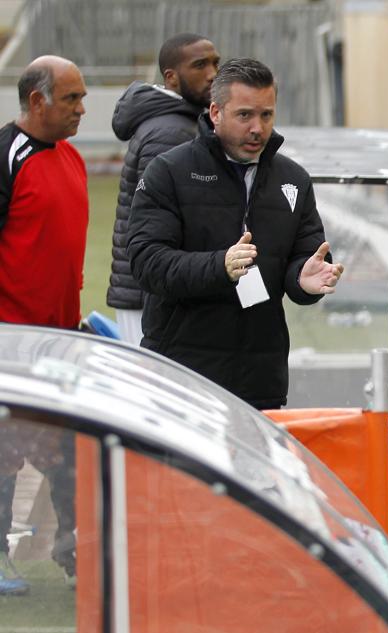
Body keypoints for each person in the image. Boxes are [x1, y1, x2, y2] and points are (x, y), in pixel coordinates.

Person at [128, 58, 344, 410]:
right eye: (245, 115)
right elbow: (147, 262)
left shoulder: (294, 180)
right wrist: (220, 267)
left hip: (261, 379)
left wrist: (303, 280)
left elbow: (303, 259)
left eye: (267, 115)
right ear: (215, 112)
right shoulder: (168, 172)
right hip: (182, 376)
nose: (258, 128)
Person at [0, 55, 90, 588]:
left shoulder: (72, 158)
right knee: (6, 452)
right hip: (12, 342)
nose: (82, 109)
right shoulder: (7, 157)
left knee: (67, 450)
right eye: (72, 99)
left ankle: (75, 551)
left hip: (61, 342)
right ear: (37, 101)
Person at [108, 33, 220, 345]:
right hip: (152, 299)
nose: (213, 73)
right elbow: (155, 226)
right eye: (200, 65)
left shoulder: (181, 121)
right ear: (171, 77)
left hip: (158, 293)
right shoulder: (169, 131)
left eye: (215, 63)